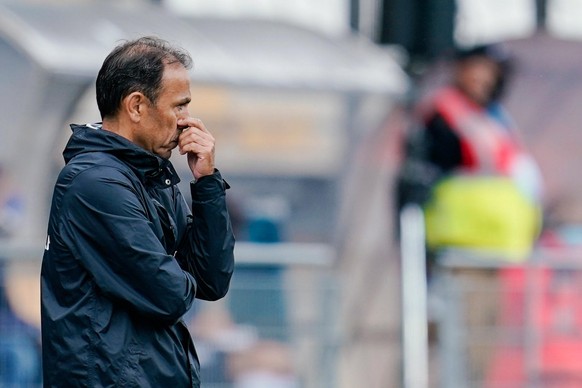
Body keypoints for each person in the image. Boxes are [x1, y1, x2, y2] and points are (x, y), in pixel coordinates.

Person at [40, 36, 235, 387]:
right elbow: (169, 295)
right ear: (136, 106)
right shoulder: (94, 183)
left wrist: (206, 182)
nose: (186, 121)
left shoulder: (151, 177)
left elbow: (211, 280)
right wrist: (175, 270)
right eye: (179, 106)